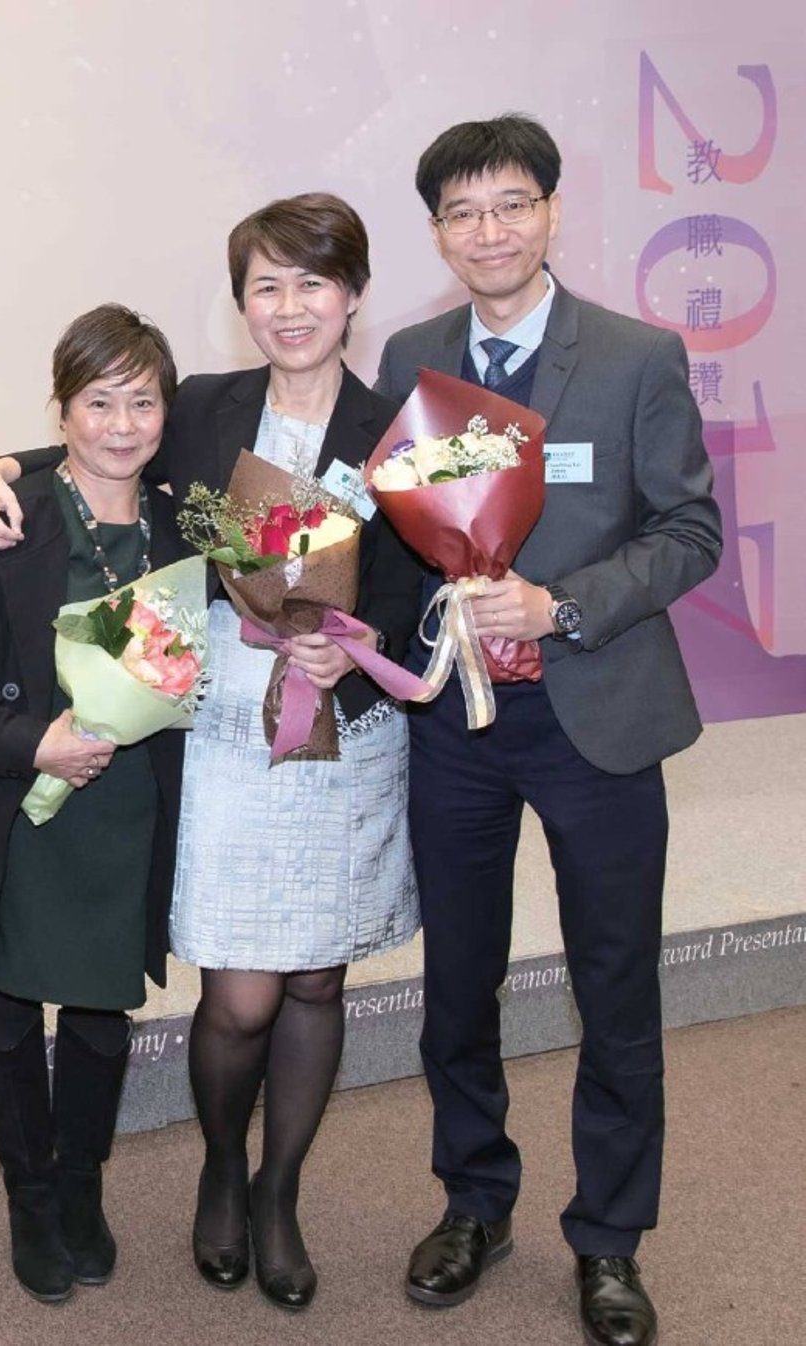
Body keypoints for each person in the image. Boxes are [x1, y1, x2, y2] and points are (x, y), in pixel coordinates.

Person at [0, 193, 424, 1310]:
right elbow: (100, 436)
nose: (289, 306)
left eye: (311, 281)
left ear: (353, 293)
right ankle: (222, 1162)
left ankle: (277, 1192)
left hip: (345, 740)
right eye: (265, 285)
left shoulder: (400, 428)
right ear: (241, 307)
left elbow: (425, 578)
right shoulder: (211, 410)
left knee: (318, 976)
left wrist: (354, 656)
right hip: (224, 731)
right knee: (242, 992)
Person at [374, 115, 722, 1346]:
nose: (488, 232)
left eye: (510, 205)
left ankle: (611, 1238)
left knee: (613, 983)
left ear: (553, 213)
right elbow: (378, 527)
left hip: (597, 716)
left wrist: (560, 605)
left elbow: (688, 532)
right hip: (456, 725)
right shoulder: (411, 356)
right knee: (456, 982)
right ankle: (474, 1200)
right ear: (436, 232)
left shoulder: (634, 356)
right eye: (462, 213)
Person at [0, 304, 190, 1305]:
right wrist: (36, 740)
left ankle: (81, 1187)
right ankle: (30, 1195)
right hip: (24, 797)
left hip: (131, 808)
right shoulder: (7, 516)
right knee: (14, 998)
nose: (121, 422)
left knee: (107, 1001)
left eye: (141, 399)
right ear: (62, 409)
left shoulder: (182, 513)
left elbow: (273, 575)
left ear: (167, 409)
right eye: (97, 400)